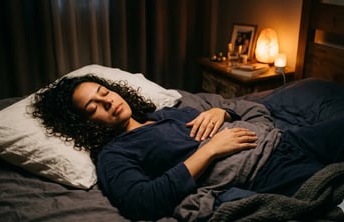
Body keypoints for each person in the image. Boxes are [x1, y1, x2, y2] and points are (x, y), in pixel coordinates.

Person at [31, 75, 344, 221]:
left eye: (104, 92)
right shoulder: (114, 155)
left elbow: (249, 110)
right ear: (85, 124)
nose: (107, 101)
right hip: (266, 171)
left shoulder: (167, 114)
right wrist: (208, 151)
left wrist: (224, 113)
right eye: (92, 107)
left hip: (286, 140)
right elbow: (141, 202)